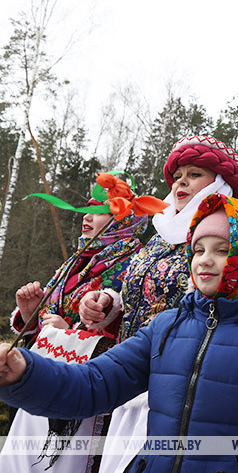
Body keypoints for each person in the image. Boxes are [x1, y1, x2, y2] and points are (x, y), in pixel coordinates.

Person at [0, 195, 238, 473]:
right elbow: (92, 385)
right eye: (197, 249)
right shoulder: (166, 327)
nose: (204, 261)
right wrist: (22, 372)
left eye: (222, 249)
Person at [77, 135, 238, 473]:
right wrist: (107, 303)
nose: (181, 181)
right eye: (178, 174)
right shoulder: (159, 236)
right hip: (132, 386)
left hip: (181, 397)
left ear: (221, 182)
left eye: (195, 173)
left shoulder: (233, 236)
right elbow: (141, 291)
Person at [0, 178, 147, 472]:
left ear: (122, 218)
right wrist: (31, 316)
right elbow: (46, 323)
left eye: (100, 210)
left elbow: (133, 332)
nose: (87, 217)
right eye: (86, 209)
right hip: (43, 380)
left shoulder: (134, 263)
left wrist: (71, 327)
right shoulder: (77, 262)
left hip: (86, 393)